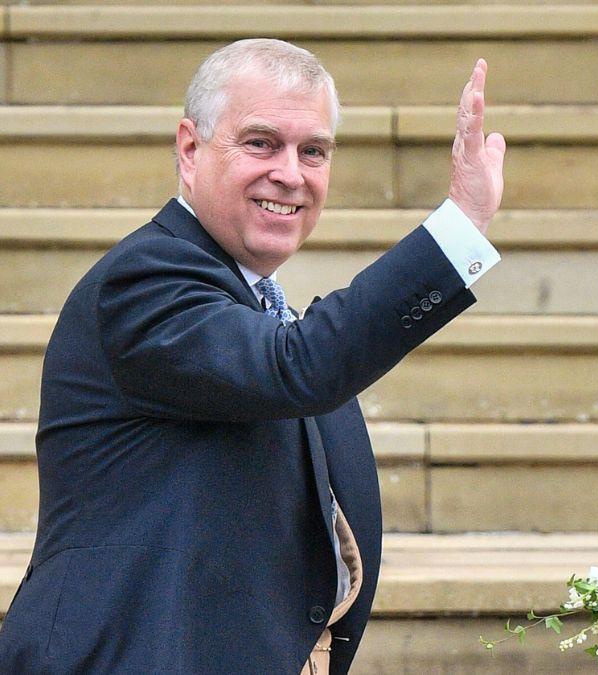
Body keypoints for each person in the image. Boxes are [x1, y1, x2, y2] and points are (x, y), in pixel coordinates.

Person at [0, 39, 505, 673]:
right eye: (261, 143)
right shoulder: (145, 282)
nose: (291, 174)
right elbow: (303, 367)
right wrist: (458, 231)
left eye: (313, 151)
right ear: (190, 150)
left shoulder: (252, 301)